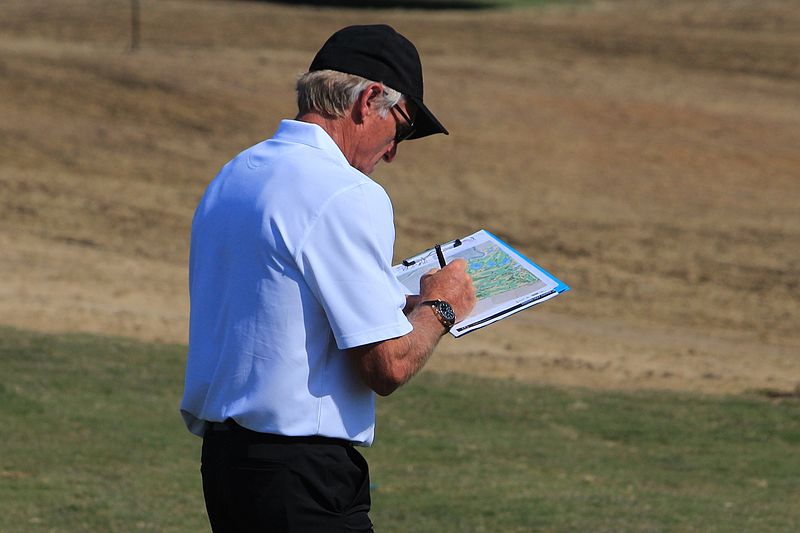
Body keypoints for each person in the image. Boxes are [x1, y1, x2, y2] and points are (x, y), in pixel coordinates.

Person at [180, 24, 476, 532]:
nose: (393, 152)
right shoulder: (345, 192)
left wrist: (400, 305)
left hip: (228, 468)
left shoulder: (236, 172)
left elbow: (284, 305)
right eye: (401, 130)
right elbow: (388, 367)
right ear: (369, 100)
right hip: (302, 478)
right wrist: (442, 307)